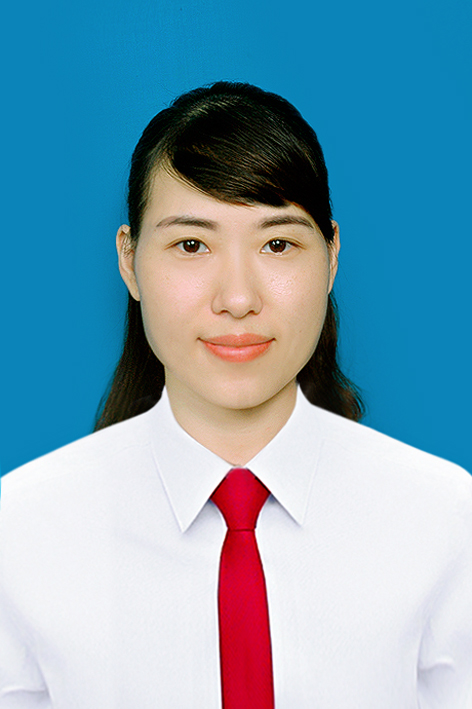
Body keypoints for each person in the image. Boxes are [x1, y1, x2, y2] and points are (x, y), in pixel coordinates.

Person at [1, 81, 471, 708]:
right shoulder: (21, 533)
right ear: (129, 260)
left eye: (277, 243)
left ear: (331, 256)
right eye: (191, 245)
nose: (238, 297)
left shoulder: (444, 520)